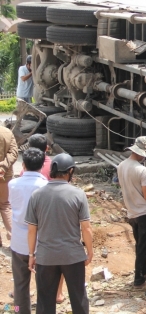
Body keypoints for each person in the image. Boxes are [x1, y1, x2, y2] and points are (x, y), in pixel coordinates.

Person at [25, 153, 93, 314]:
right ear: (70, 171)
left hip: (46, 257)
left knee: (45, 301)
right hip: (73, 256)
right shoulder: (78, 194)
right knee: (79, 298)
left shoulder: (37, 195)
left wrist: (31, 254)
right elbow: (86, 228)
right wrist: (89, 251)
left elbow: (31, 230)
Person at [9, 148, 47, 314]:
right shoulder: (45, 186)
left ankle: (19, 310)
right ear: (42, 165)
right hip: (41, 243)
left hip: (18, 242)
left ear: (22, 165)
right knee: (44, 284)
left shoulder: (13, 184)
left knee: (20, 285)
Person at [117, 136, 146, 288]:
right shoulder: (142, 170)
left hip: (131, 210)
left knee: (140, 243)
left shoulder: (122, 165)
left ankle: (145, 269)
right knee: (144, 246)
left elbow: (132, 185)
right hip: (144, 211)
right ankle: (138, 277)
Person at [0, 124, 17, 247]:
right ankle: (14, 238)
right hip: (5, 175)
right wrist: (3, 167)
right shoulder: (7, 132)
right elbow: (14, 153)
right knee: (6, 205)